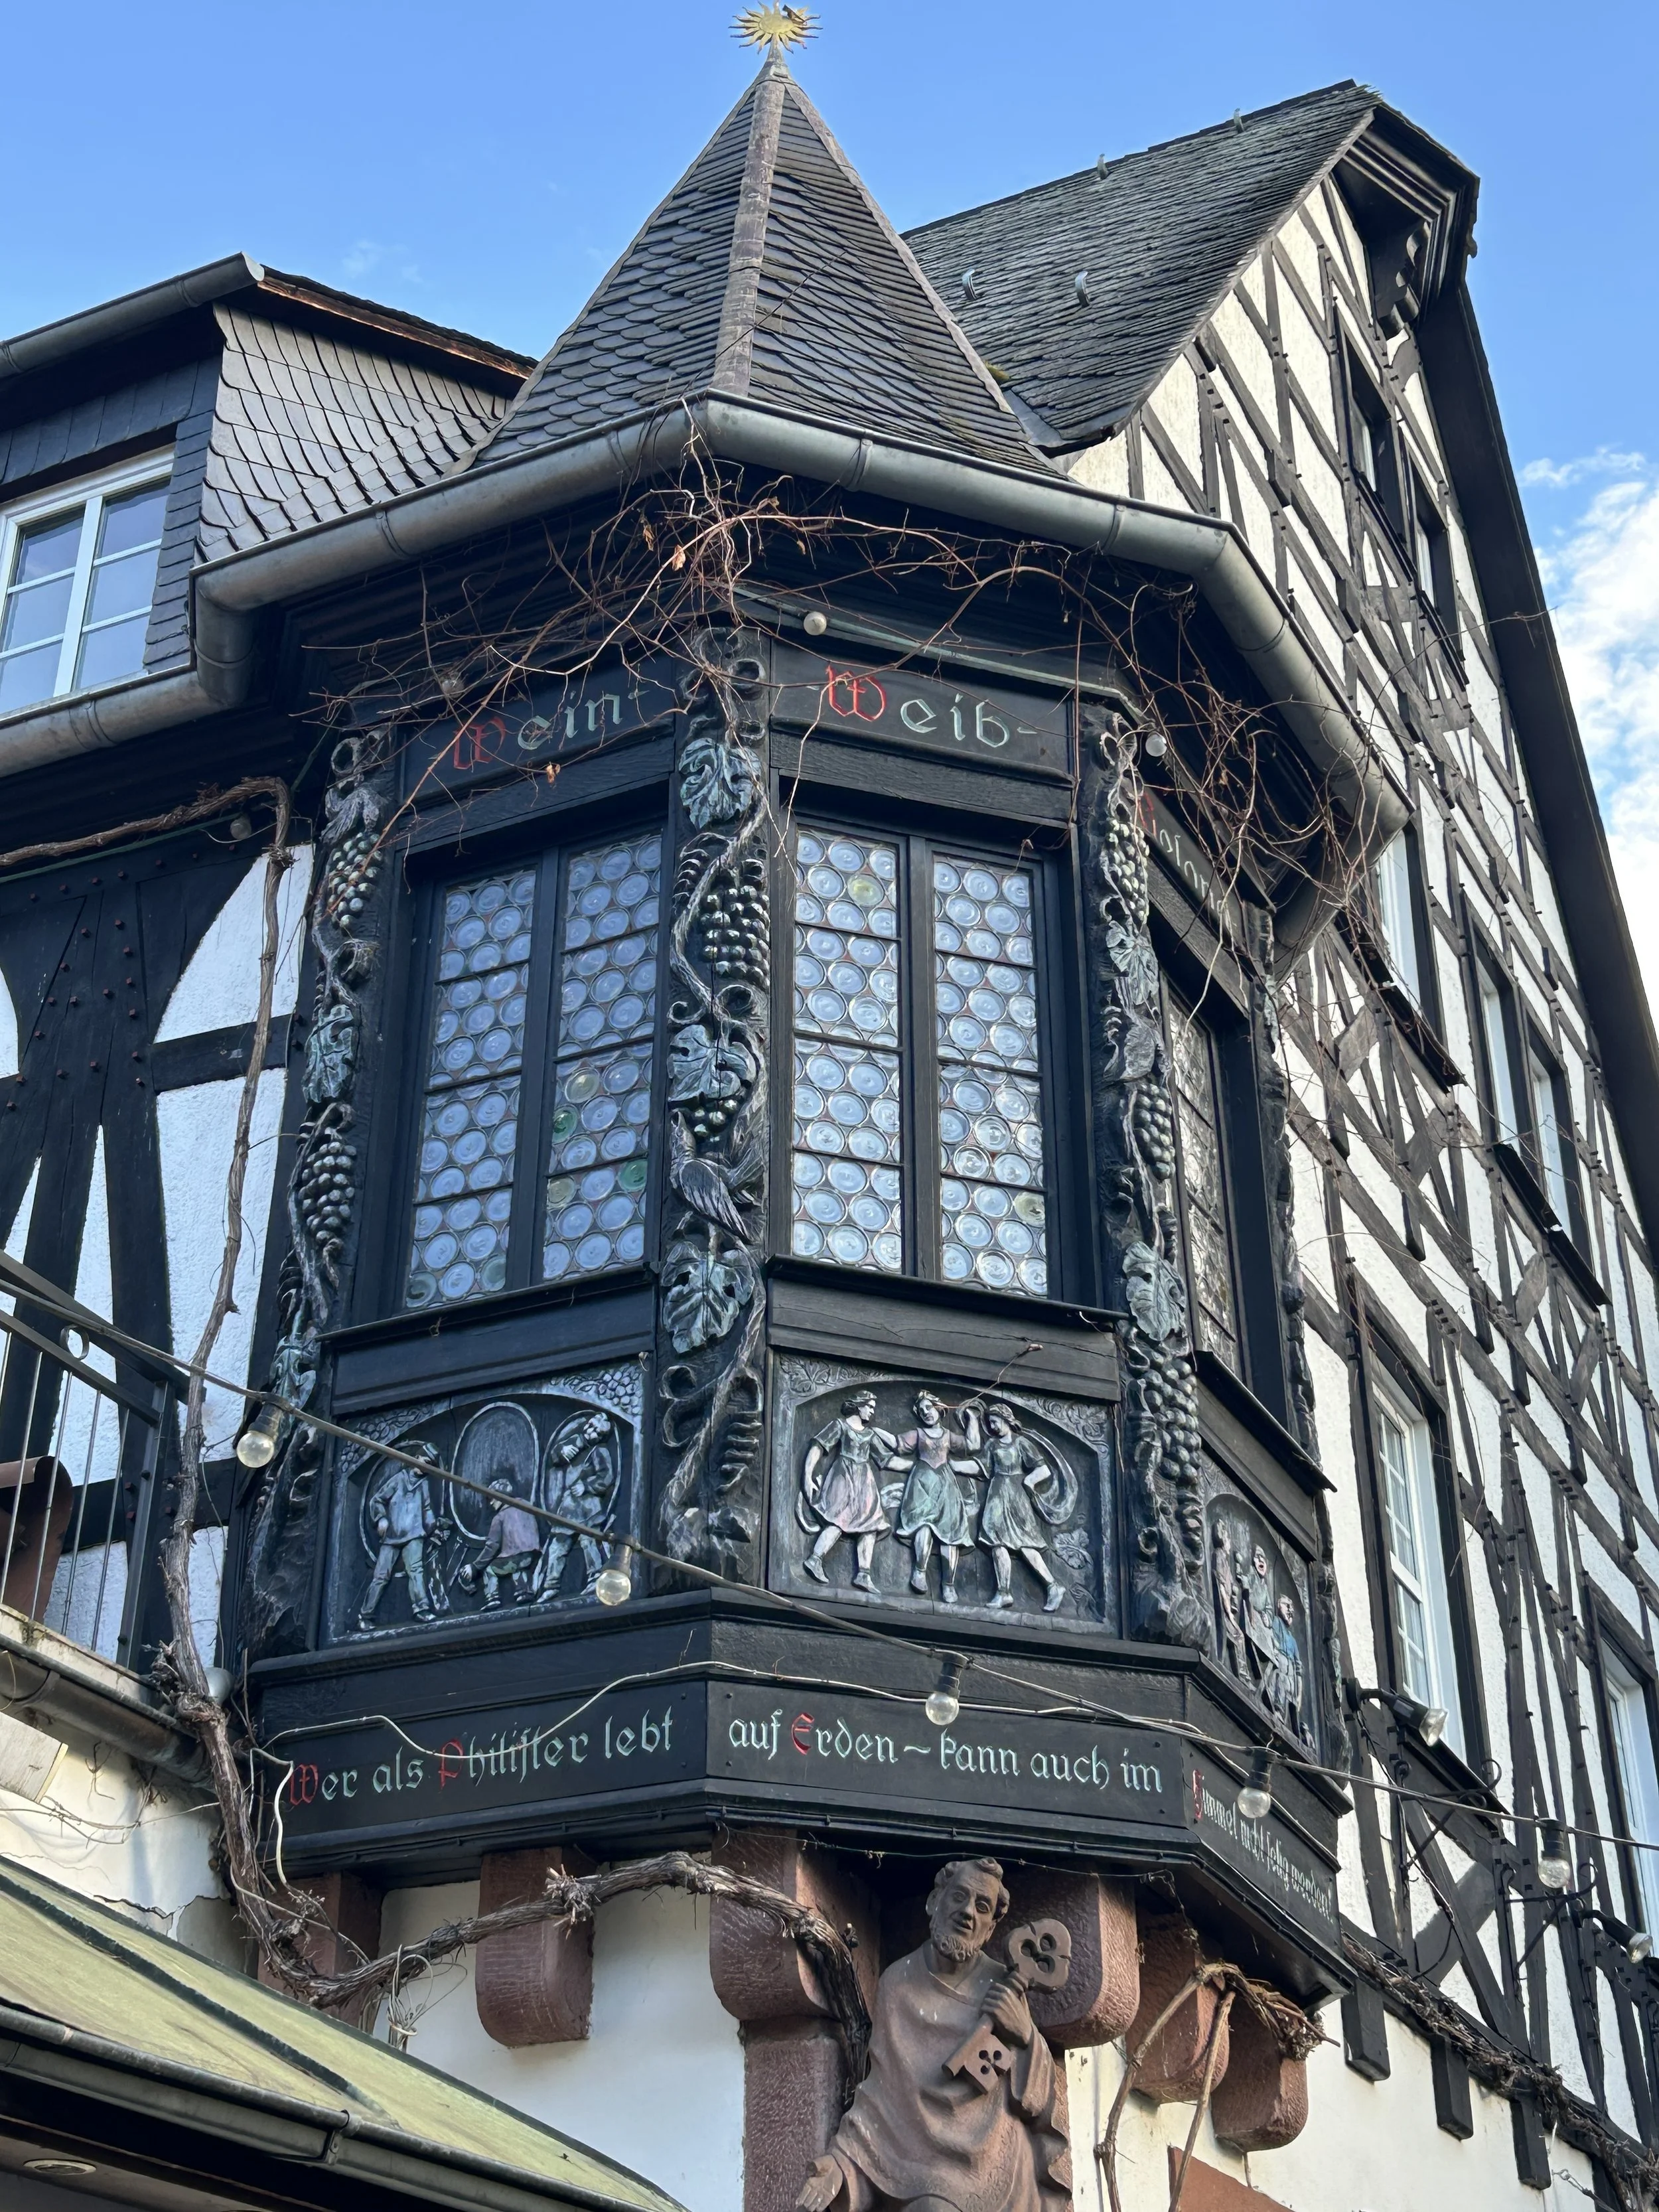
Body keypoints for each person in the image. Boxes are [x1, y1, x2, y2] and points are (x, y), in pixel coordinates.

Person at [795, 1858, 1071, 2212]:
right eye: (959, 1897)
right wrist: (840, 2164)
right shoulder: (897, 1984)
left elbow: (1039, 2101)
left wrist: (1025, 2037)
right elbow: (880, 2099)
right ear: (934, 1903)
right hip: (921, 2167)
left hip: (997, 2166)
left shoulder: (1005, 1989)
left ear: (989, 1930)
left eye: (982, 1907)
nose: (967, 1913)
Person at [801, 1391, 899, 1594]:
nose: (872, 1411)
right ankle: (815, 1559)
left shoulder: (870, 1434)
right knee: (838, 1520)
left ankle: (863, 1574)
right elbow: (818, 1447)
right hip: (843, 1478)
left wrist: (918, 1466)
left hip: (865, 1484)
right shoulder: (840, 1425)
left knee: (871, 1526)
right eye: (870, 1406)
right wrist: (807, 1476)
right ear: (859, 1405)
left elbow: (888, 1461)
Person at [888, 1392, 981, 1604]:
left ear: (939, 1407)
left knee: (950, 1533)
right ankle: (919, 1572)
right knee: (923, 1524)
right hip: (922, 1482)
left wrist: (972, 1418)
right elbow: (897, 1443)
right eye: (921, 1411)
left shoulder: (948, 1436)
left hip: (946, 1484)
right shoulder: (919, 1434)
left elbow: (972, 1446)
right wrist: (872, 1432)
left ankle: (948, 1584)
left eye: (928, 1408)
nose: (926, 1413)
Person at [976, 1404, 1066, 1613]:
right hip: (997, 1497)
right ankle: (1003, 1592)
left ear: (1006, 1419)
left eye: (994, 1421)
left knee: (1026, 1545)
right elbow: (981, 1467)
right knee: (997, 1543)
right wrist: (952, 1465)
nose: (992, 1426)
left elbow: (1042, 1470)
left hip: (1016, 1496)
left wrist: (1029, 1482)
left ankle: (1053, 1586)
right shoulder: (992, 1445)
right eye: (989, 1423)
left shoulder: (1021, 1443)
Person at [535, 1414, 620, 1602]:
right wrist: (562, 1452)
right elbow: (555, 1455)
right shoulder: (575, 1441)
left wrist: (587, 1486)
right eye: (590, 1428)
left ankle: (595, 1576)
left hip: (588, 1508)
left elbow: (606, 1477)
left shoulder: (600, 1451)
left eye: (597, 1432)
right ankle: (551, 1586)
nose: (591, 1433)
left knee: (589, 1542)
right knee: (558, 1547)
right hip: (568, 1507)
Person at [358, 1446, 438, 1627]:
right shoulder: (399, 1479)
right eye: (426, 1462)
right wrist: (381, 1518)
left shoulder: (424, 1483)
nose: (426, 1467)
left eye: (430, 1466)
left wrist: (432, 1523)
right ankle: (365, 1616)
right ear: (417, 1457)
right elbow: (377, 1500)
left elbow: (426, 1507)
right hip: (392, 1536)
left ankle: (422, 1609)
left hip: (414, 1534)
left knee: (416, 1571)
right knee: (381, 1576)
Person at [459, 1472, 541, 1609]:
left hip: (514, 1557)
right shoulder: (527, 1505)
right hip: (532, 1554)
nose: (491, 1503)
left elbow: (492, 1546)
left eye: (492, 1499)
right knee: (518, 1567)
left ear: (500, 1496)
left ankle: (492, 1598)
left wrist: (475, 1566)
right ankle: (524, 1592)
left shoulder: (499, 1517)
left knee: (490, 1568)